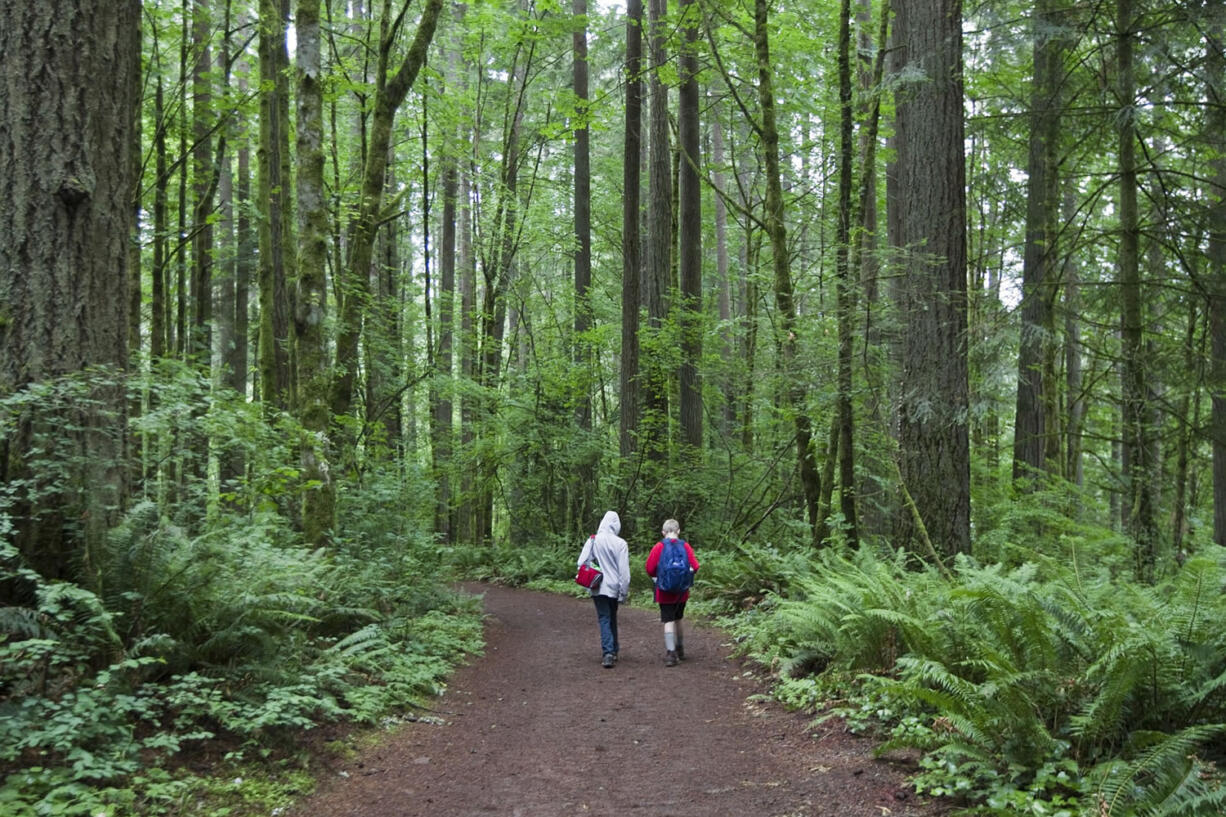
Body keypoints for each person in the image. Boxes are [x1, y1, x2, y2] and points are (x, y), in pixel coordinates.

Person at [576, 510, 631, 669]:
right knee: (612, 616)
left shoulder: (593, 540)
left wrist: (595, 569)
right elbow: (624, 573)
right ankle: (613, 650)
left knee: (604, 617)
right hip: (614, 587)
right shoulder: (621, 544)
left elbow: (582, 562)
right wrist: (624, 592)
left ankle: (608, 653)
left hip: (598, 586)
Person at [644, 518, 699, 667]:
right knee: (679, 618)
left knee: (668, 620)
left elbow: (649, 568)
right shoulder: (685, 546)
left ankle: (671, 653)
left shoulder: (659, 547)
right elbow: (695, 566)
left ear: (663, 532)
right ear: (678, 531)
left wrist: (660, 576)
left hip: (664, 590)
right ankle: (680, 648)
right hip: (682, 591)